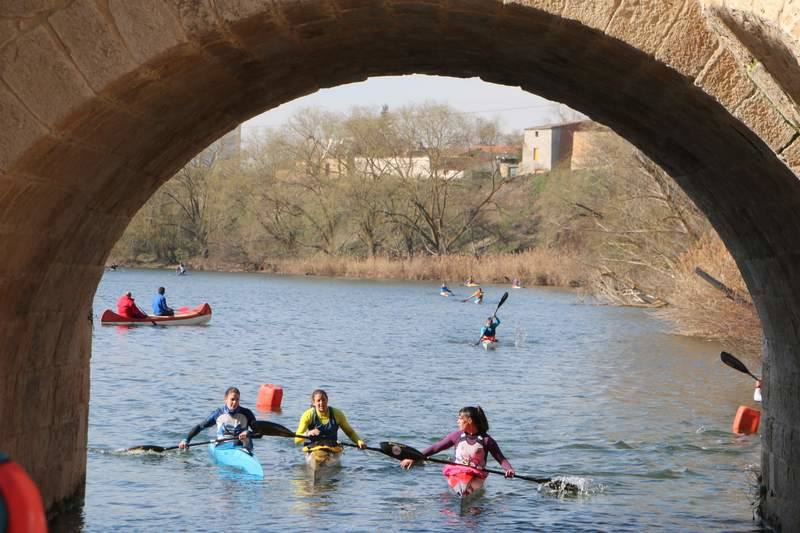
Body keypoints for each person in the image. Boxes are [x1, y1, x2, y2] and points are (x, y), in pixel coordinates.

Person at [399, 406, 515, 478]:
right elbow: (435, 448)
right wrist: (414, 457)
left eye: (460, 418)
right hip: (457, 472)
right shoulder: (456, 436)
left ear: (469, 420)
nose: (457, 421)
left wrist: (508, 469)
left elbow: (501, 459)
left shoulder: (486, 440)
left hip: (476, 475)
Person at [179, 387, 258, 451]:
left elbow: (259, 434)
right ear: (225, 399)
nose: (235, 402)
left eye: (237, 400)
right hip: (223, 447)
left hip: (243, 448)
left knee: (247, 440)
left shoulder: (247, 413)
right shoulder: (218, 413)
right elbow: (200, 427)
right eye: (232, 399)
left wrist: (247, 433)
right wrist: (186, 440)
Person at [295, 389, 366, 449]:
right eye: (318, 400)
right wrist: (308, 433)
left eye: (323, 400)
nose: (321, 403)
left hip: (332, 447)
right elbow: (297, 440)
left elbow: (349, 432)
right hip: (314, 447)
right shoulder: (308, 415)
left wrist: (359, 441)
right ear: (314, 403)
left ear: (327, 400)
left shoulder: (337, 414)